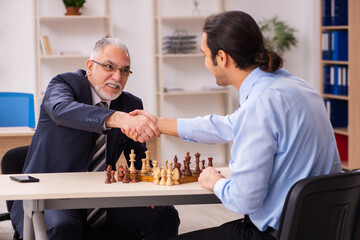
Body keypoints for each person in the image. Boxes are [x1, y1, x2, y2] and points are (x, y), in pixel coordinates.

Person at [129, 11, 342, 240]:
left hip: (276, 234)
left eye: (204, 55)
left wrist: (216, 181)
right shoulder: (295, 86)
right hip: (325, 228)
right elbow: (228, 125)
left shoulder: (259, 105)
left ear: (222, 57)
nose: (205, 63)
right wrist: (158, 123)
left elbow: (243, 199)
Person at [10, 38, 179, 240]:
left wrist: (152, 186)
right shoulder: (63, 84)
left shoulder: (130, 103)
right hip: (50, 197)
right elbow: (60, 110)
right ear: (90, 66)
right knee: (63, 226)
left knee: (164, 214)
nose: (117, 77)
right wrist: (115, 118)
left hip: (100, 201)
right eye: (109, 66)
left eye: (125, 70)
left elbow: (141, 156)